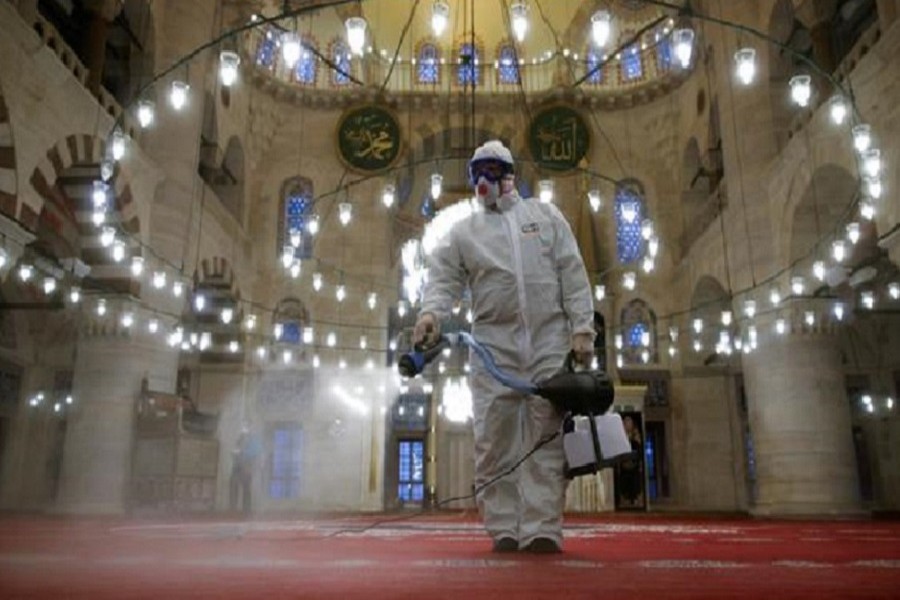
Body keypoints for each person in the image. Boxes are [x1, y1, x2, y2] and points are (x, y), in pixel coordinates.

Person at [414, 140, 595, 554]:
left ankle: (542, 528)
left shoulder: (545, 217)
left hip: (548, 343)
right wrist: (430, 315)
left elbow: (572, 272)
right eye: (477, 172)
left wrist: (582, 329)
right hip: (493, 348)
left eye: (492, 170)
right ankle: (505, 528)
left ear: (509, 174)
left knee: (545, 436)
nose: (484, 180)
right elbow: (442, 279)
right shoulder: (464, 231)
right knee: (494, 438)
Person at [229, 426, 261, 516]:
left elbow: (254, 456)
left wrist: (251, 467)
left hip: (246, 469)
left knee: (246, 490)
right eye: (243, 435)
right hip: (237, 469)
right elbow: (234, 454)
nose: (244, 437)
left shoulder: (252, 444)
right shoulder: (238, 444)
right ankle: (233, 507)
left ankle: (246, 509)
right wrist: (237, 453)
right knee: (233, 487)